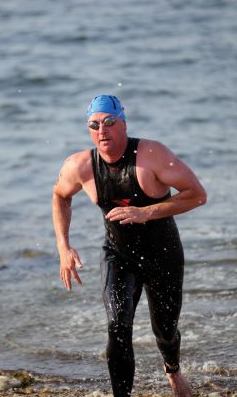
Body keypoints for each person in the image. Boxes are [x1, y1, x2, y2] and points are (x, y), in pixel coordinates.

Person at [52, 95, 207, 397]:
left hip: (163, 254)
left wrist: (145, 212)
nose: (102, 130)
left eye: (109, 122)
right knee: (118, 326)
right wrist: (63, 246)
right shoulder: (80, 166)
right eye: (94, 125)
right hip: (118, 255)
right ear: (89, 130)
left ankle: (172, 370)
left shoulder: (152, 155)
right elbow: (60, 195)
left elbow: (197, 194)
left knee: (165, 330)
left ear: (123, 123)